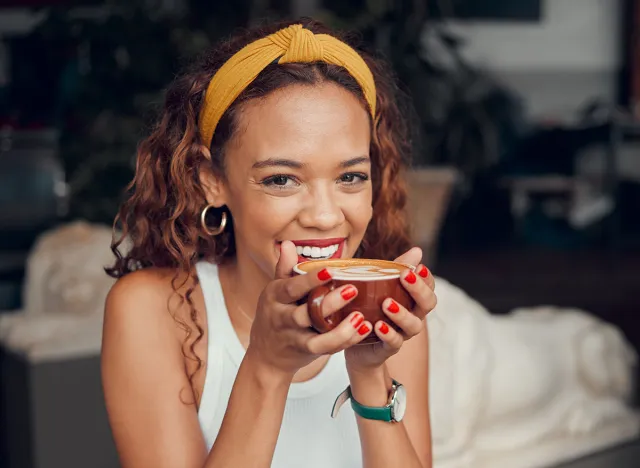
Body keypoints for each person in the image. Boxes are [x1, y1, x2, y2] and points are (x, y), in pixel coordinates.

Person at [101, 18, 437, 468]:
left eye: (350, 177)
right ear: (212, 182)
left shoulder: (397, 324)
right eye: (282, 179)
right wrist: (268, 365)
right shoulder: (153, 311)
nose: (324, 216)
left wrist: (368, 371)